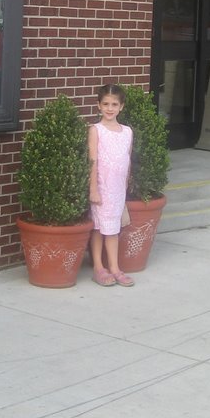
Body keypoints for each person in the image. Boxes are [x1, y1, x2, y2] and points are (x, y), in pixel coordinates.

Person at [88, 83, 135, 287]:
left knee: (111, 228)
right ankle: (101, 267)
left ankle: (112, 267)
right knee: (100, 228)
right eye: (105, 104)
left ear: (121, 107)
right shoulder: (96, 130)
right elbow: (93, 161)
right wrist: (93, 189)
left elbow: (128, 158)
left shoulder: (127, 132)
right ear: (98, 105)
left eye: (114, 104)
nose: (109, 108)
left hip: (117, 190)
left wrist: (125, 185)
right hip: (102, 188)